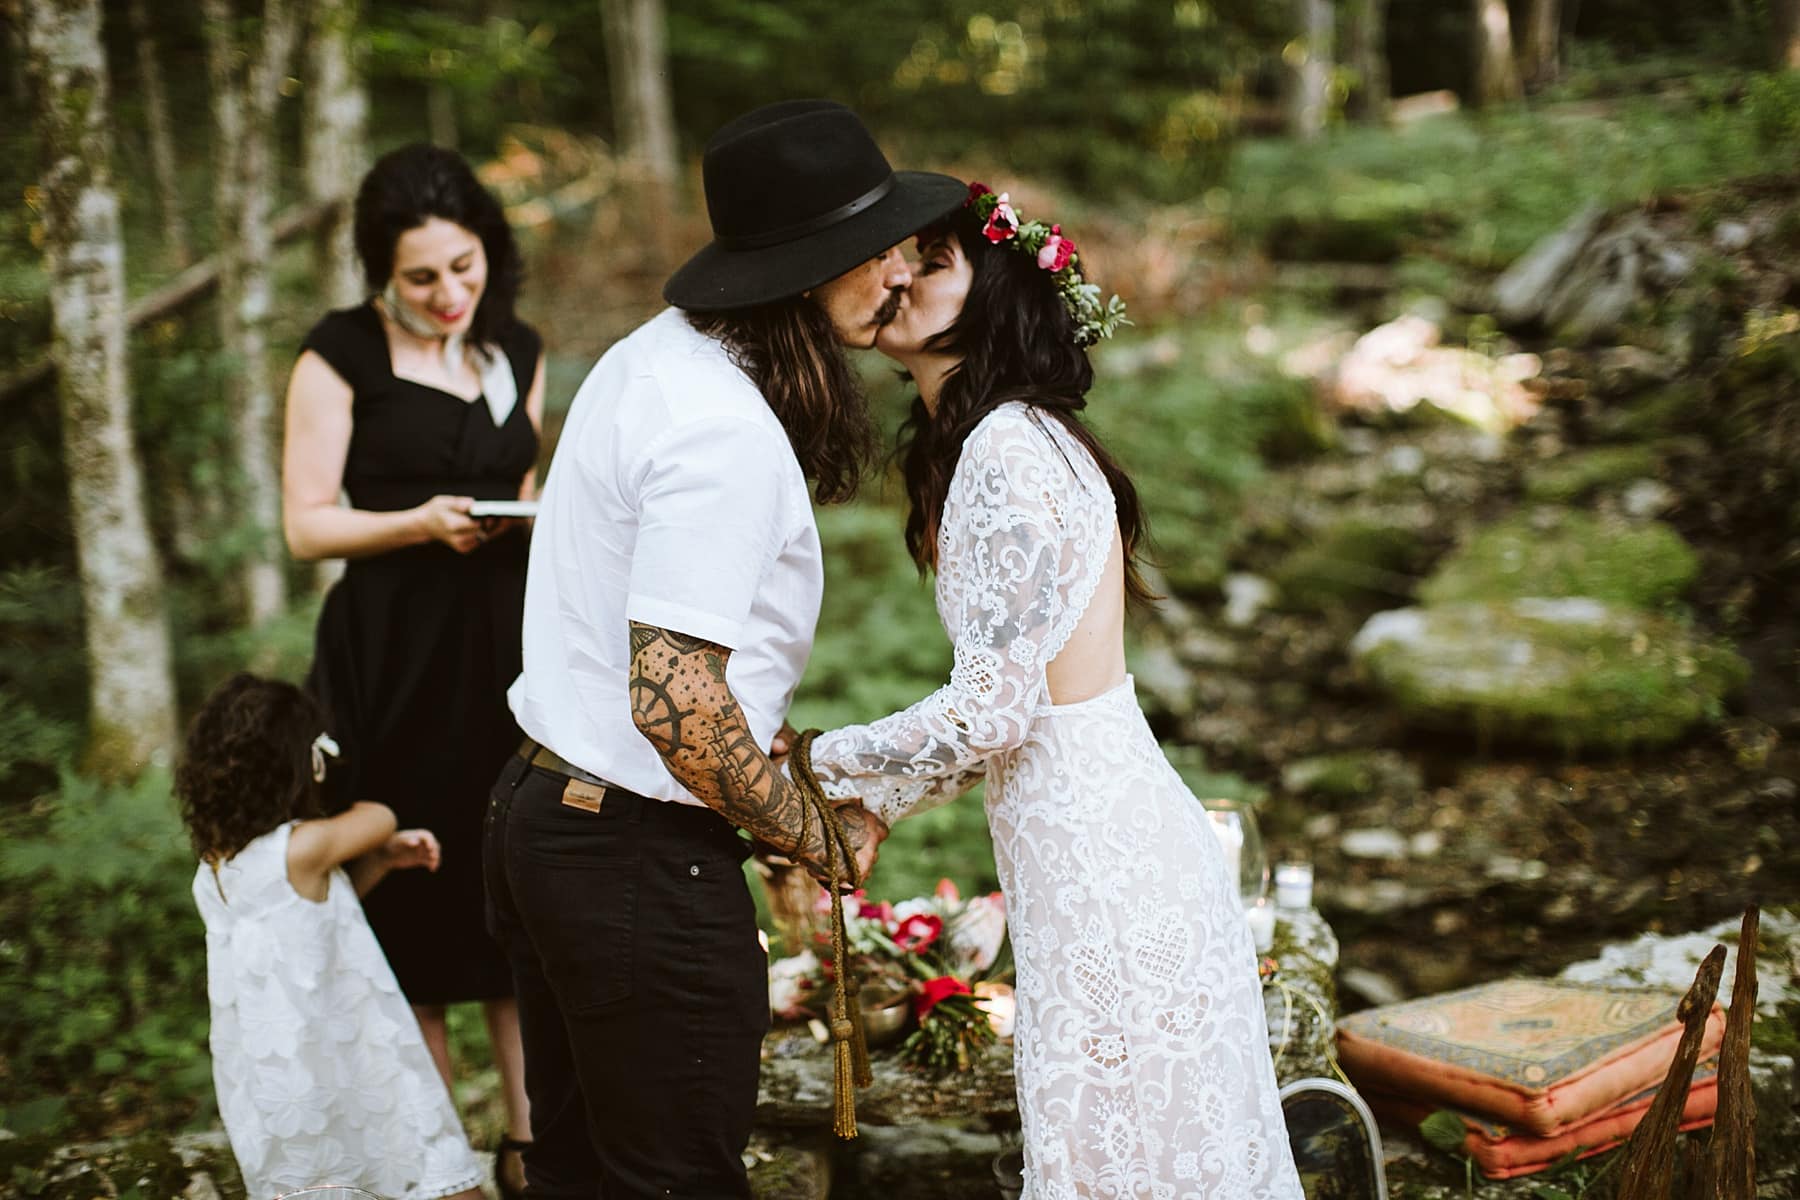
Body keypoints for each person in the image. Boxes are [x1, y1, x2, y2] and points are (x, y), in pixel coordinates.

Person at [484, 99, 962, 1197]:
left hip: (549, 820)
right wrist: (811, 832)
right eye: (873, 250)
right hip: (629, 861)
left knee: (581, 1176)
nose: (898, 270)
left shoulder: (653, 361)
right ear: (803, 271)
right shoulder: (722, 433)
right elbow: (676, 701)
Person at [804, 185, 1306, 1198]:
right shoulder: (1004, 441)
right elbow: (1014, 714)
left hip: (1102, 865)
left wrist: (814, 761)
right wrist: (881, 799)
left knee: (1121, 1157)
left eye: (931, 259)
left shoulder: (1003, 453)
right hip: (1095, 835)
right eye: (893, 257)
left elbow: (993, 714)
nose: (894, 274)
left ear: (994, 294)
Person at [281, 143, 539, 1194]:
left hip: (504, 650)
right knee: (415, 895)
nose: (449, 294)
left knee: (514, 884)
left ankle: (533, 1144)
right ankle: (435, 1160)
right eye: (423, 276)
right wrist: (418, 524)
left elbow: (521, 479)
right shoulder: (337, 354)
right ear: (380, 270)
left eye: (465, 268)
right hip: (391, 655)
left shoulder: (514, 343)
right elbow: (305, 526)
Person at [178, 672, 485, 1200]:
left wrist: (383, 859)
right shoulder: (303, 846)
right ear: (296, 765)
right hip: (359, 1058)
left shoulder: (216, 870)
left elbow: (312, 921)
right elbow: (381, 814)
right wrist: (331, 767)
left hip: (285, 1080)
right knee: (435, 1177)